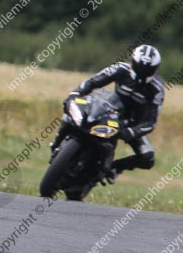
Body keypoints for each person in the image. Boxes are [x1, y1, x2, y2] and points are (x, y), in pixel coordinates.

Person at [51, 44, 164, 182]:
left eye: (147, 70)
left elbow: (150, 122)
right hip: (110, 108)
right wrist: (75, 94)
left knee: (148, 157)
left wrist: (131, 132)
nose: (142, 72)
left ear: (155, 69)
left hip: (131, 123)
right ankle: (56, 143)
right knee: (74, 111)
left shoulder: (157, 89)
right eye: (140, 67)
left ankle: (113, 168)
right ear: (133, 62)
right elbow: (93, 81)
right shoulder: (120, 69)